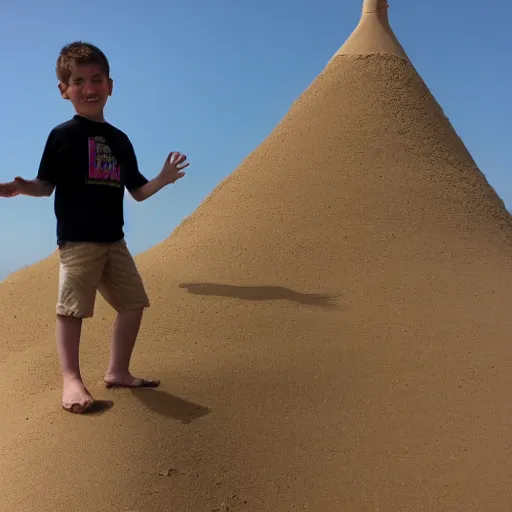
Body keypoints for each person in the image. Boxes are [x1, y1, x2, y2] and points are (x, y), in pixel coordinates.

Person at [0, 41, 189, 414]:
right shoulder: (62, 135)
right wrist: (23, 187)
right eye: (79, 81)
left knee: (134, 304)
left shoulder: (120, 140)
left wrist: (164, 179)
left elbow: (137, 191)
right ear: (64, 90)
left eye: (97, 80)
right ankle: (71, 379)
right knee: (72, 310)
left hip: (114, 240)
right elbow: (46, 183)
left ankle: (118, 370)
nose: (89, 88)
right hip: (78, 241)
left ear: (110, 85)